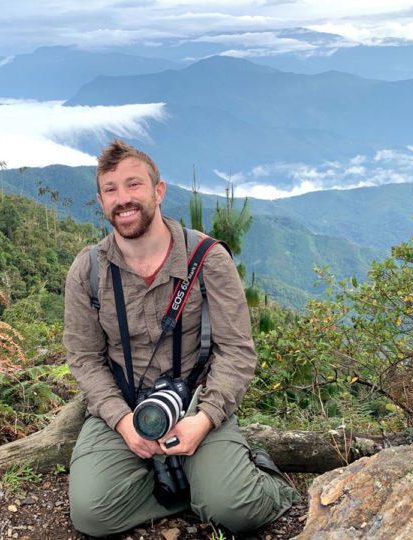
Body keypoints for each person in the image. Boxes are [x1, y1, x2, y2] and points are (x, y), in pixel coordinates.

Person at [64, 139, 298, 537]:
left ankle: (249, 485)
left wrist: (205, 420)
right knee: (90, 514)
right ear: (101, 200)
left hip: (195, 403)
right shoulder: (89, 270)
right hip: (123, 406)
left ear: (158, 190)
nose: (123, 199)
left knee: (236, 510)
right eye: (111, 189)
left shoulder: (208, 259)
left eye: (134, 185)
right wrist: (122, 422)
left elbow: (237, 351)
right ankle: (198, 491)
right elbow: (84, 358)